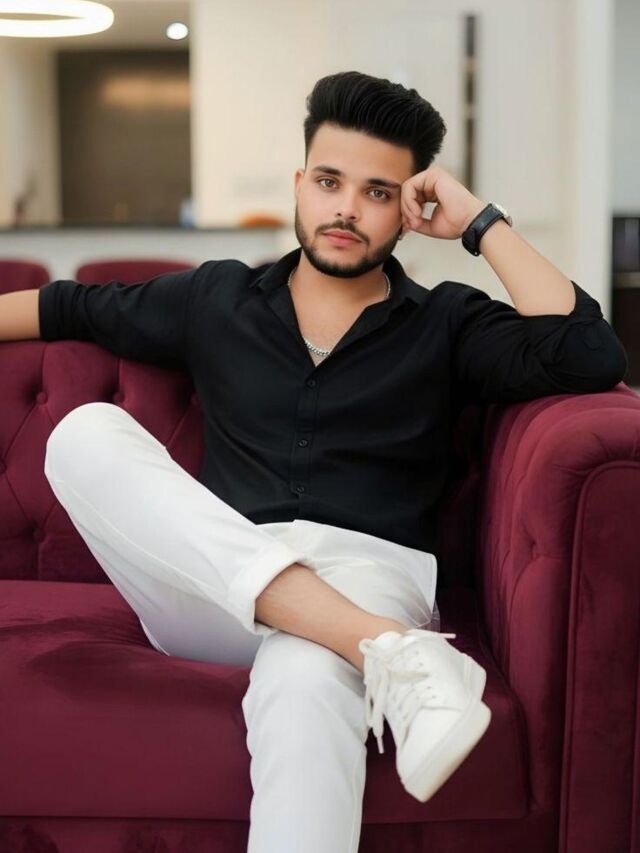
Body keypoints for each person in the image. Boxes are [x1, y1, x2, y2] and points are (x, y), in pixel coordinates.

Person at [0, 70, 627, 853]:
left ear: (410, 209)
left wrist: (478, 220)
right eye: (329, 182)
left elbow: (589, 351)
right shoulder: (216, 298)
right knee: (83, 433)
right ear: (300, 184)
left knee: (305, 676)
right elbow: (62, 305)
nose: (346, 209)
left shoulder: (446, 321)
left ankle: (365, 639)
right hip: (216, 588)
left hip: (370, 571)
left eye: (377, 192)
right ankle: (388, 649)